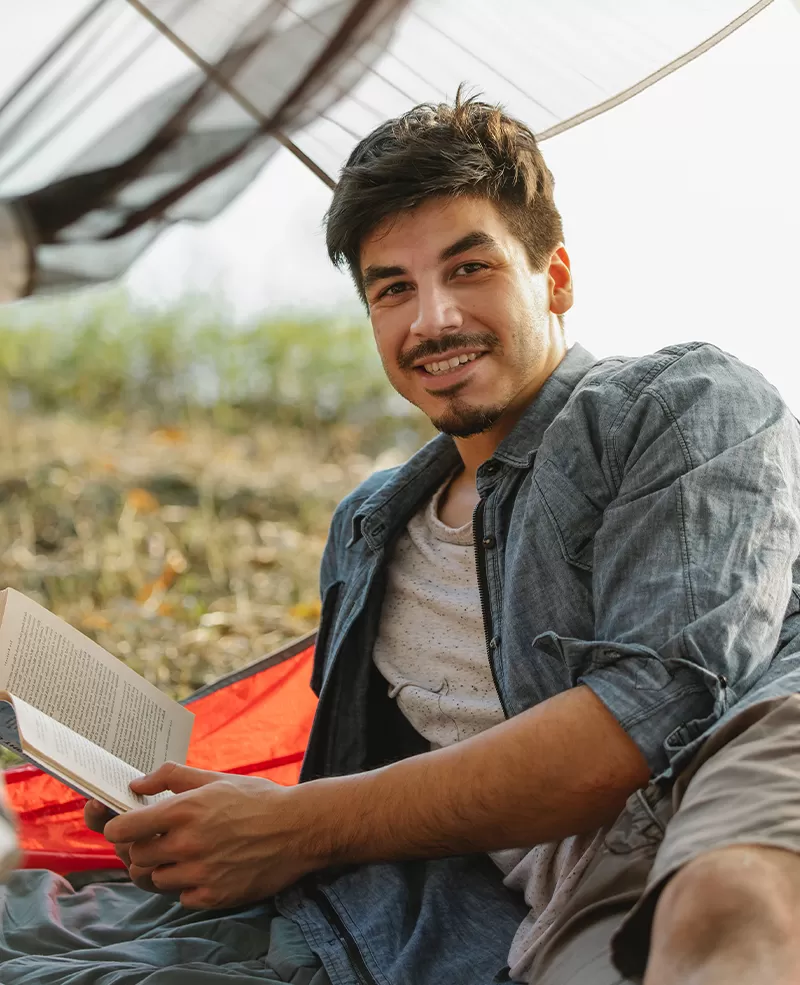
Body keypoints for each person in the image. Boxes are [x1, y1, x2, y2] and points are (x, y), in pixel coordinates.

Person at [3, 90, 800, 985]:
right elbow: (382, 789)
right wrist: (206, 824)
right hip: (572, 899)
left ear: (557, 277)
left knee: (729, 903)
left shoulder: (680, 404)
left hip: (737, 767)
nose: (433, 321)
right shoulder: (369, 529)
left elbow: (649, 710)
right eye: (393, 289)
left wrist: (294, 824)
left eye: (470, 269)